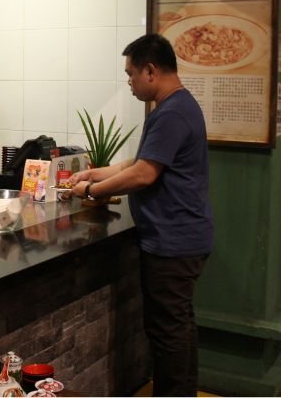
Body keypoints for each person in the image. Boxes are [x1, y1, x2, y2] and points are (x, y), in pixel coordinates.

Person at [67, 33, 213, 397]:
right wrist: (95, 173)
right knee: (177, 327)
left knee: (169, 332)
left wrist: (91, 191)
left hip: (174, 241)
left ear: (150, 70)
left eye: (130, 74)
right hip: (179, 237)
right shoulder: (171, 107)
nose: (129, 82)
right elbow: (141, 161)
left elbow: (145, 174)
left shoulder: (173, 111)